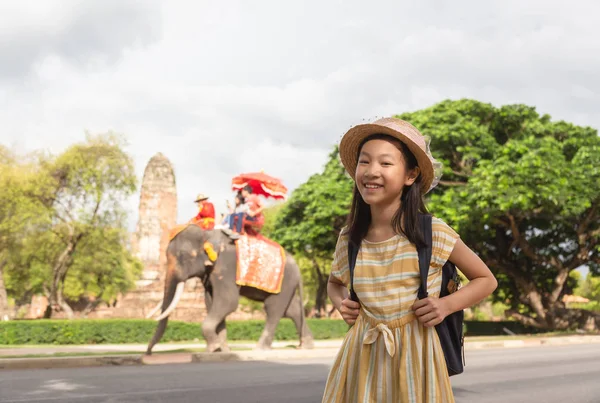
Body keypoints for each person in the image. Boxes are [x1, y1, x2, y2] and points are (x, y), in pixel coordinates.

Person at [322, 117, 498, 403]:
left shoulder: (432, 232)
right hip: (360, 359)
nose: (371, 171)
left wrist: (445, 306)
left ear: (411, 175)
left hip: (417, 357)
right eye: (364, 162)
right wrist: (342, 304)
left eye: (385, 163)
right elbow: (334, 283)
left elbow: (486, 280)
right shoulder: (349, 238)